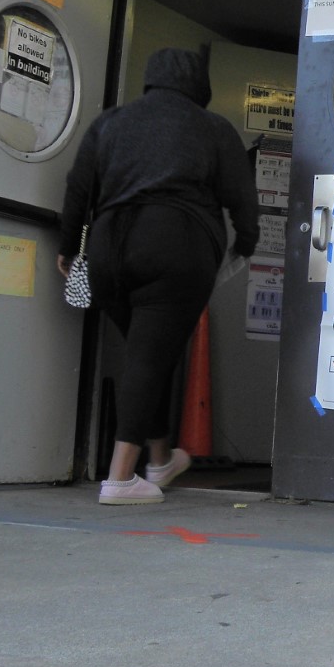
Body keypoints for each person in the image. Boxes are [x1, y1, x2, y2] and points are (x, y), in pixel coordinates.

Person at [58, 48, 259, 504]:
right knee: (149, 357)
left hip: (109, 247)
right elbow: (241, 199)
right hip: (176, 244)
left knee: (149, 351)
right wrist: (244, 244)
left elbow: (78, 188)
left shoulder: (110, 122)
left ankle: (161, 458)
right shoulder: (212, 128)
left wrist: (69, 248)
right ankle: (120, 478)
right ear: (198, 86)